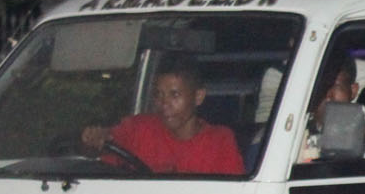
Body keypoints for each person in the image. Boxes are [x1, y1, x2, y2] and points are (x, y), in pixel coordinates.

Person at [83, 52, 244, 175]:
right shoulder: (138, 129)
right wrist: (96, 138)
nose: (164, 104)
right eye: (158, 94)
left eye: (174, 95)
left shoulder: (220, 141)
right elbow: (101, 150)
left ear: (198, 96)